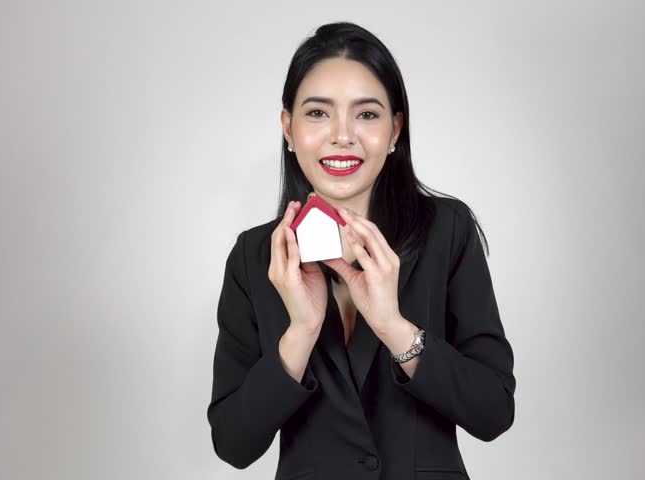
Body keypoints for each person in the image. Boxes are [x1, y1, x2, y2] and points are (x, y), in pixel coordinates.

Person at [207, 21, 515, 480]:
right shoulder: (254, 257)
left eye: (367, 114)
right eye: (317, 113)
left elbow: (494, 411)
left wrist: (395, 329)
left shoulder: (447, 230)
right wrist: (300, 333)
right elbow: (233, 443)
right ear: (288, 128)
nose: (342, 135)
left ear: (395, 130)